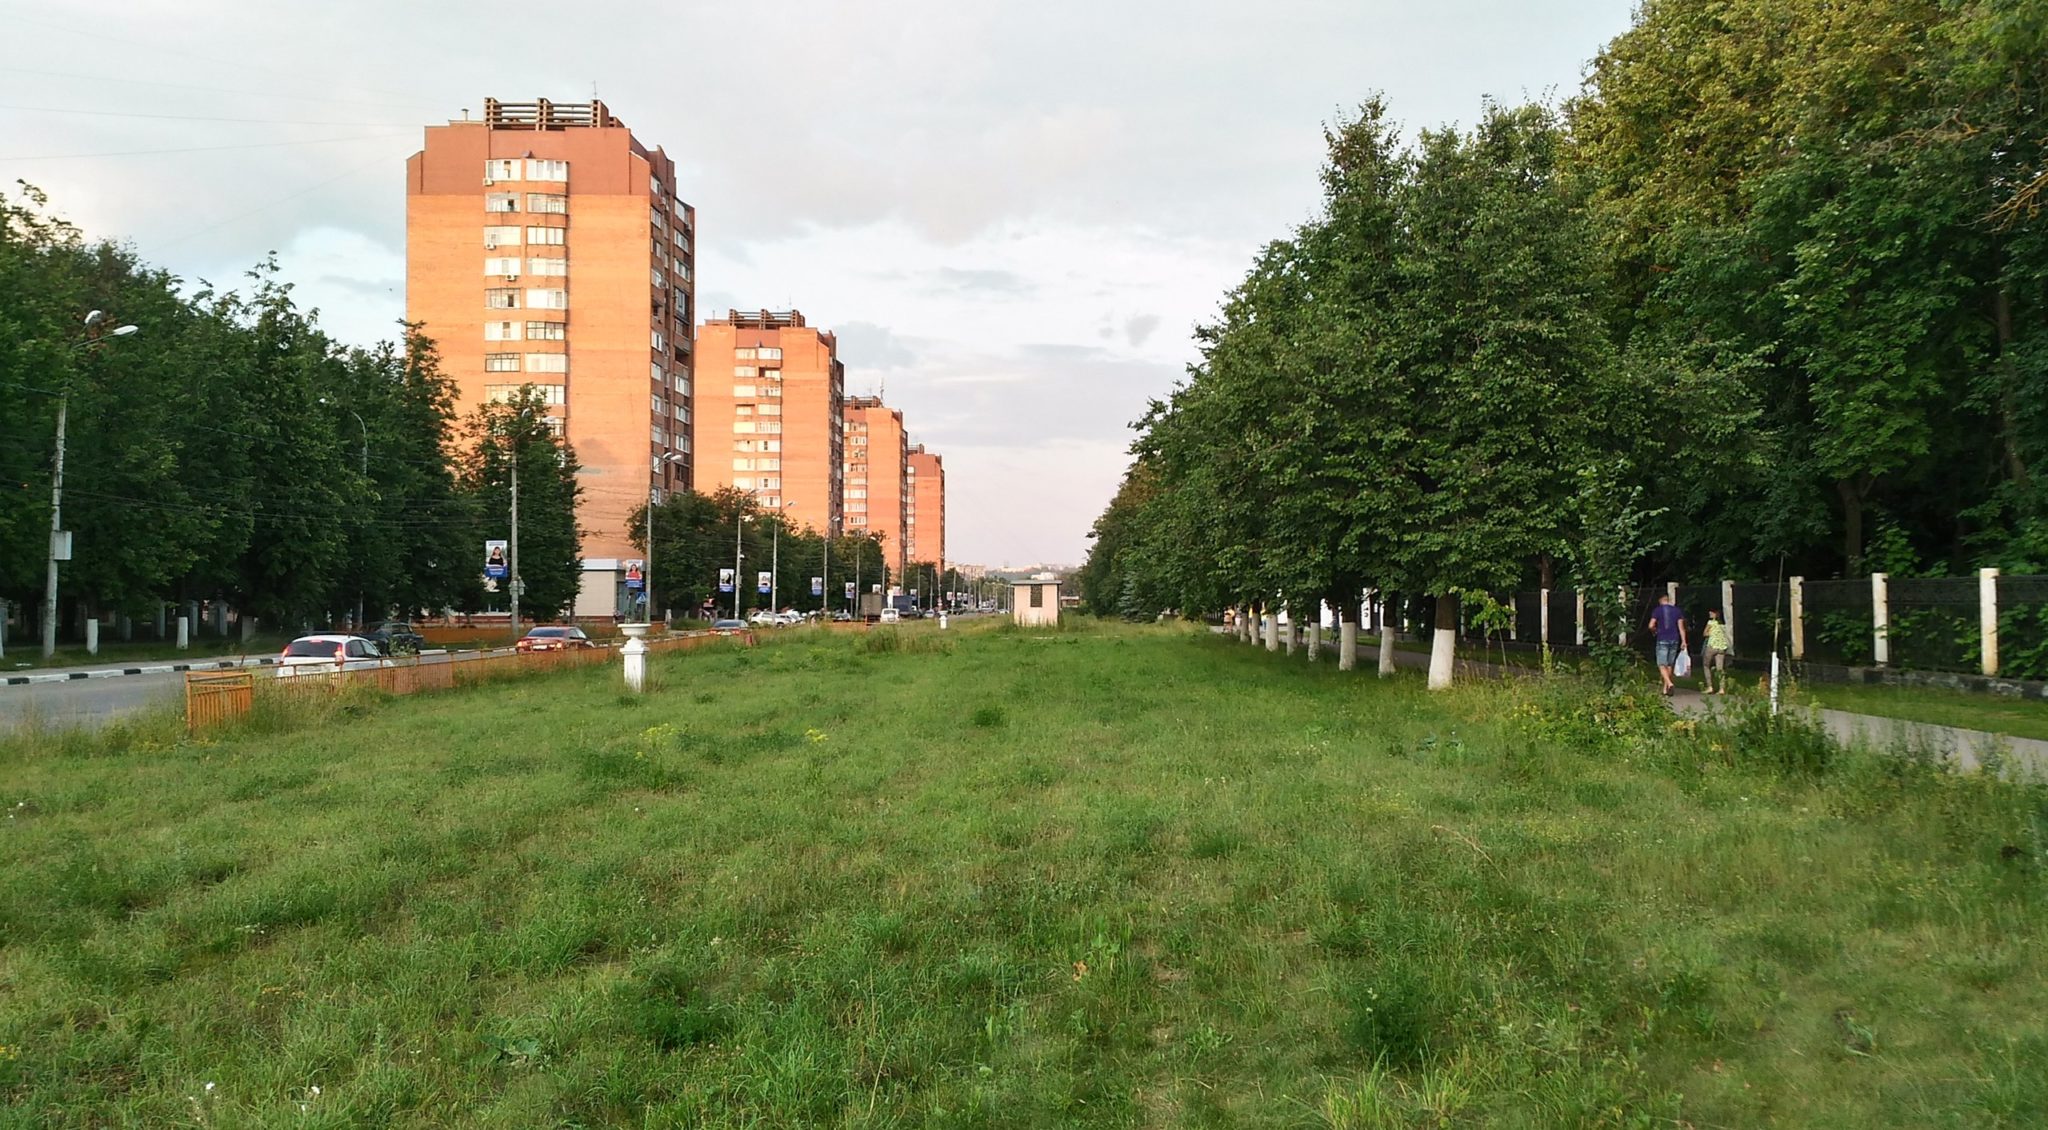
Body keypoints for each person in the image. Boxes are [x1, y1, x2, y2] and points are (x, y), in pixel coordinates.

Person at [1647, 592, 1688, 696]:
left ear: (1660, 601)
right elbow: (1681, 628)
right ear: (1668, 600)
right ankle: (1665, 689)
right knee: (1669, 664)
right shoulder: (1677, 611)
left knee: (1661, 664)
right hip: (1674, 639)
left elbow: (1651, 625)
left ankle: (1669, 684)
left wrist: (1655, 631)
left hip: (1662, 639)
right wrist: (1684, 641)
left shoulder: (1657, 610)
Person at [1701, 608, 1733, 695]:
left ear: (1716, 614)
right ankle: (1722, 688)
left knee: (1706, 665)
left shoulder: (1710, 623)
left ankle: (1710, 686)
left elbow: (1705, 633)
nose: (1710, 613)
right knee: (1720, 669)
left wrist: (1711, 633)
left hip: (1712, 646)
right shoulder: (1723, 625)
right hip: (1721, 647)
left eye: (1712, 612)